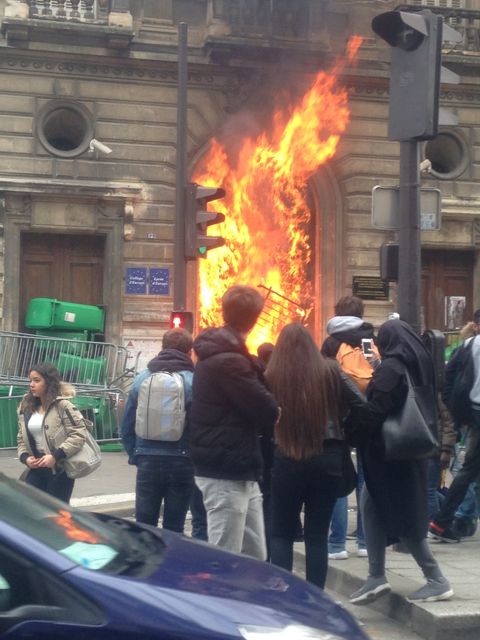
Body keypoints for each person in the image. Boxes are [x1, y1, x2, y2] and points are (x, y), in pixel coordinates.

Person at [348, 319, 453, 605]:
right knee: (376, 506)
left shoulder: (392, 369)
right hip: (410, 453)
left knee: (404, 517)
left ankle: (436, 579)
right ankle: (376, 576)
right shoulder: (420, 366)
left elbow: (375, 410)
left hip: (390, 456)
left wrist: (351, 433)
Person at [265, 322, 365, 589]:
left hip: (284, 458)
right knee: (317, 536)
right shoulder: (331, 370)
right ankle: (315, 598)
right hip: (327, 457)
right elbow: (362, 404)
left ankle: (281, 597)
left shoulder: (271, 374)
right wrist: (344, 430)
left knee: (281, 533)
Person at [190, 285, 279, 560]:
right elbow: (266, 408)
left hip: (237, 467)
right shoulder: (230, 362)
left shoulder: (224, 355)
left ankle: (249, 601)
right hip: (226, 469)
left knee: (254, 555)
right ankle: (217, 603)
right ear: (255, 318)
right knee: (225, 557)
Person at [121, 328, 195, 533]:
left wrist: (135, 453)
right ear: (189, 351)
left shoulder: (142, 378)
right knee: (174, 526)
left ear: (162, 347)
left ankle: (145, 563)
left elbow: (126, 424)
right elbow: (199, 425)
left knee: (144, 526)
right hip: (182, 460)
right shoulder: (192, 381)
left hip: (147, 459)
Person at [321, 295, 373, 560]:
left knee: (339, 480)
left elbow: (324, 380)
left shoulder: (331, 343)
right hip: (367, 415)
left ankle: (337, 544)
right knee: (367, 479)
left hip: (339, 417)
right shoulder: (370, 341)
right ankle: (365, 542)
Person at [429, 310, 480, 543]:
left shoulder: (468, 346)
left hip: (472, 414)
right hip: (474, 414)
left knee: (469, 469)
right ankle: (443, 521)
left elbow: (446, 378)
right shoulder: (469, 346)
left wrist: (456, 411)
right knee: (469, 469)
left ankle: (446, 521)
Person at [17, 362, 89, 503]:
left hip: (59, 470)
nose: (32, 384)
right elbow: (21, 437)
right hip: (36, 467)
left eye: (37, 380)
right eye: (30, 380)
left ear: (49, 382)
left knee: (57, 515)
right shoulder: (26, 407)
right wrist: (25, 457)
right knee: (32, 510)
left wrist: (55, 456)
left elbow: (79, 434)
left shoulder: (63, 405)